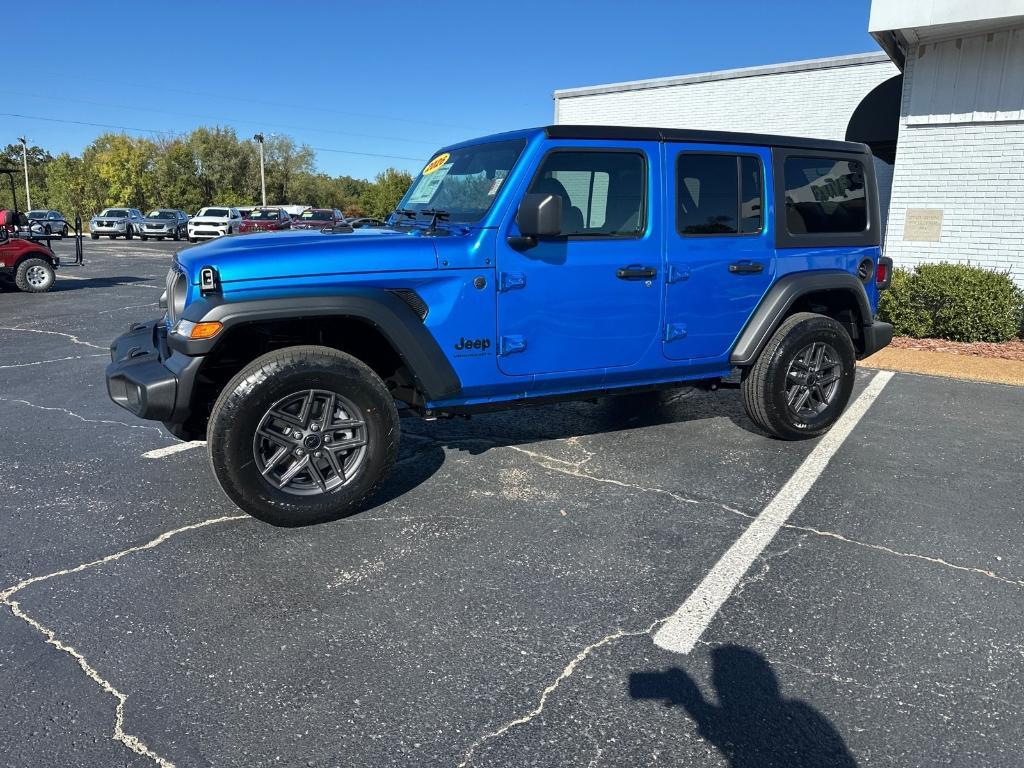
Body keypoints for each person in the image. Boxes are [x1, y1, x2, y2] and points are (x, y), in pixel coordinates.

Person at [630, 645, 858, 768]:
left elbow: (733, 740)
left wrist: (693, 702)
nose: (715, 680)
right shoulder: (800, 713)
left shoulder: (795, 713)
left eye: (716, 674)